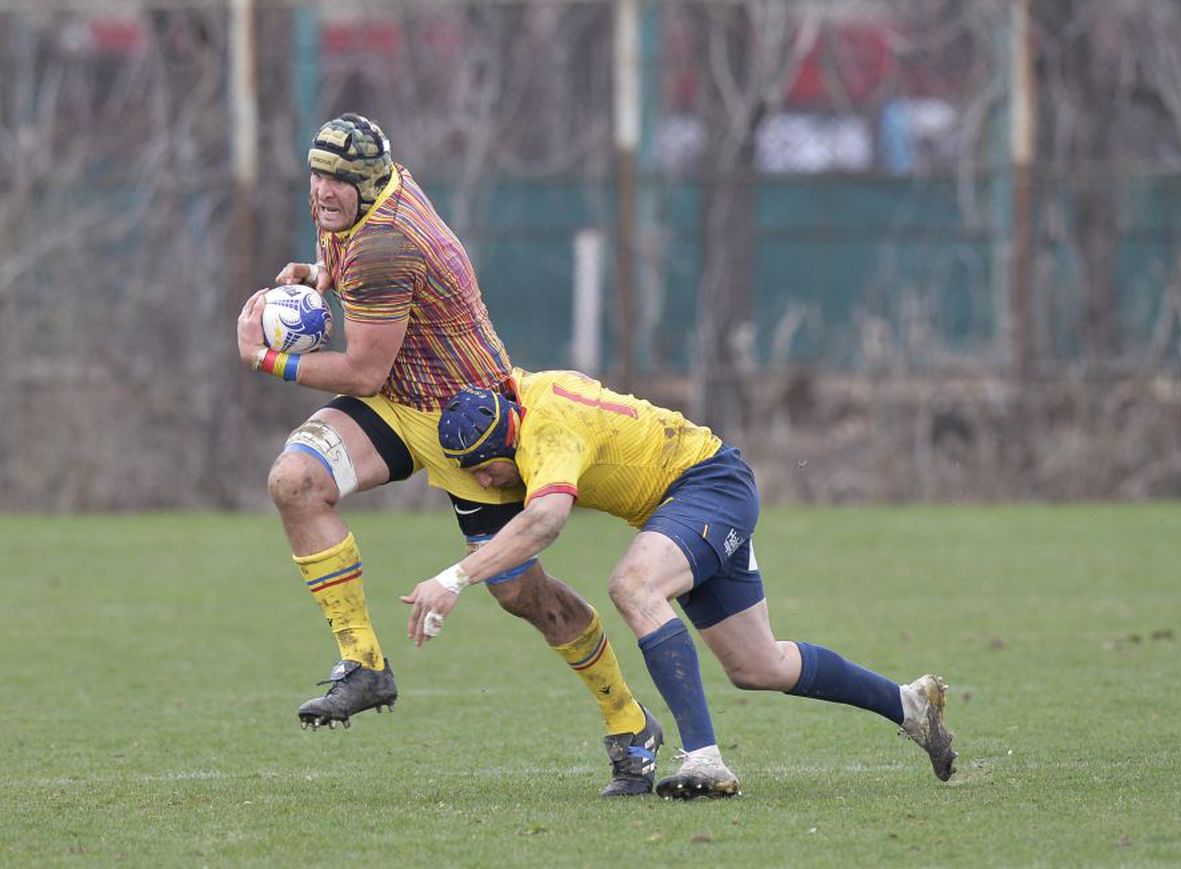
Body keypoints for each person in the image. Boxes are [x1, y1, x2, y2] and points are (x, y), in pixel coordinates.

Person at [235, 113, 661, 796]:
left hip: (471, 424)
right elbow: (378, 329)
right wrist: (320, 274)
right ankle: (364, 664)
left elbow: (362, 370)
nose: (322, 191)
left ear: (371, 180)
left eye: (338, 180)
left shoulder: (384, 242)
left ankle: (629, 720)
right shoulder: (365, 200)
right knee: (296, 480)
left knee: (524, 594)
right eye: (316, 174)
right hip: (399, 408)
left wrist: (265, 357)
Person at [404, 368, 957, 799]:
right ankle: (909, 705)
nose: (482, 482)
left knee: (634, 586)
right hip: (694, 497)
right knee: (758, 666)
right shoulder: (519, 397)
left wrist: (453, 578)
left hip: (707, 487)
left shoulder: (547, 433)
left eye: (485, 468)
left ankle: (704, 760)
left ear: (509, 439)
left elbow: (546, 520)